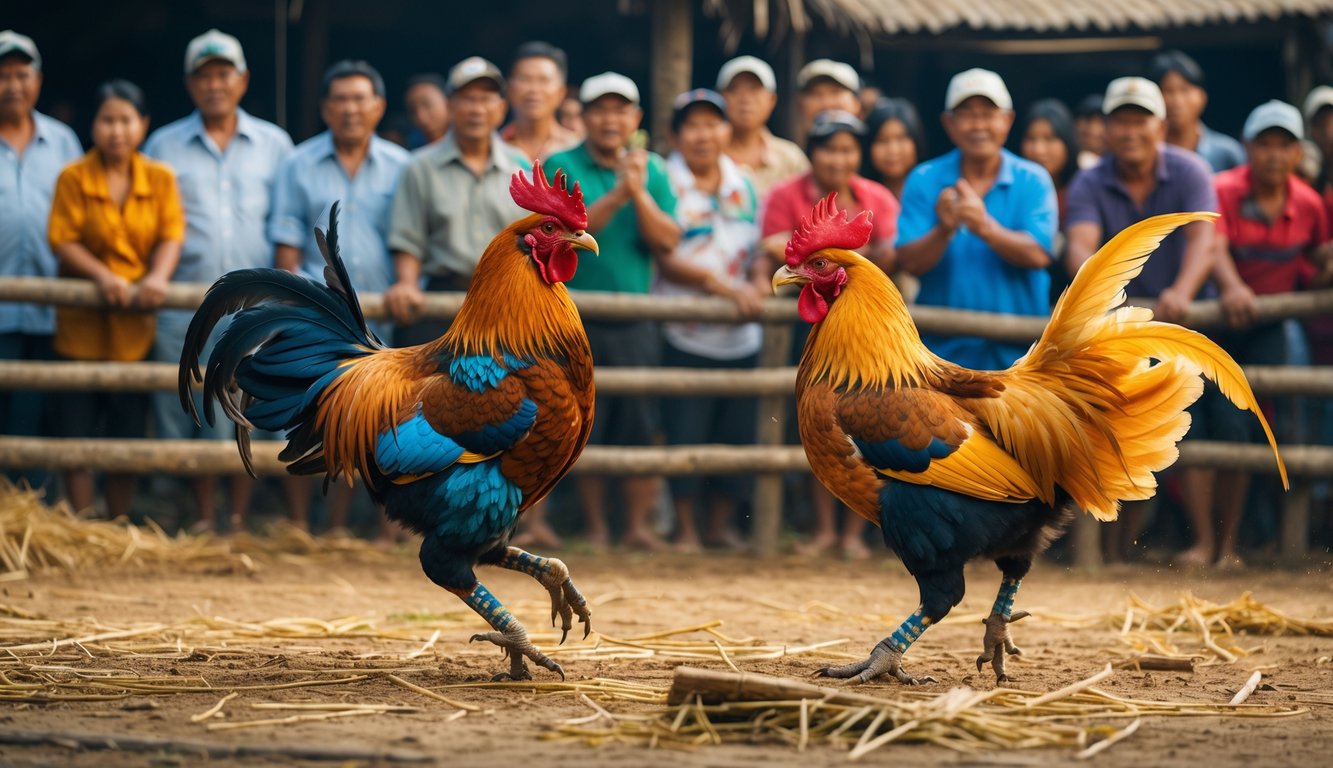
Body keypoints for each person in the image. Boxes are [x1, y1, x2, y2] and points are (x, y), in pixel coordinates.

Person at [1063, 76, 1220, 564]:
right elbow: (1079, 247)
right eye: (1121, 121)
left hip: (1189, 319)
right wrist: (1103, 297)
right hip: (1119, 326)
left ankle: (1211, 543)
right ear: (1106, 129)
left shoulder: (1191, 170)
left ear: (1161, 125)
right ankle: (1109, 549)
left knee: (1207, 428)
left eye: (1140, 120)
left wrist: (1182, 292)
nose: (1130, 130)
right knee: (1111, 424)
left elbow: (1205, 240)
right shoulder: (1090, 181)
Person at [143, 29, 293, 534]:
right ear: (189, 84)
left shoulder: (276, 146)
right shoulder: (162, 144)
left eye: (223, 73)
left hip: (256, 310)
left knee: (246, 406)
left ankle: (238, 519)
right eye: (204, 75)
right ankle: (201, 518)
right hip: (183, 303)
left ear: (243, 80)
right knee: (190, 412)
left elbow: (287, 225)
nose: (214, 84)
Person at [270, 60, 409, 533]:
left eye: (360, 99)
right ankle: (303, 525)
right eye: (341, 100)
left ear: (378, 107)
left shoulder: (402, 166)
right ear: (326, 108)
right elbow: (285, 249)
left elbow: (409, 242)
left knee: (379, 423)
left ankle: (375, 530)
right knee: (308, 416)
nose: (351, 109)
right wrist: (294, 303)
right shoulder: (298, 163)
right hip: (319, 318)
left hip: (382, 318)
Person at [546, 72, 681, 551]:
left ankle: (636, 527)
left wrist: (639, 190)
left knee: (641, 422)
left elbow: (666, 239)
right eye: (599, 109)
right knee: (580, 422)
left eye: (620, 109)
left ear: (636, 118)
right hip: (570, 317)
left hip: (637, 317)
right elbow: (569, 233)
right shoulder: (562, 164)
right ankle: (597, 528)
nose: (610, 119)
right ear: (583, 116)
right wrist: (621, 193)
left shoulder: (655, 171)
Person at [757, 109, 899, 559]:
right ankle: (824, 530)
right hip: (814, 331)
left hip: (866, 333)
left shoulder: (876, 196)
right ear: (812, 152)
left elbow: (890, 255)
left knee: (867, 439)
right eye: (828, 147)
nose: (838, 157)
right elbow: (769, 247)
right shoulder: (785, 193)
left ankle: (856, 534)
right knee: (819, 430)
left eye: (847, 148)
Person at [1196, 100, 1331, 569]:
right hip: (1218, 322)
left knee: (1260, 427)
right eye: (1265, 144)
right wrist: (1233, 287)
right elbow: (1212, 247)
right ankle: (1203, 543)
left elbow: (1314, 263)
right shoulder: (1223, 189)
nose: (1274, 154)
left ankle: (1230, 543)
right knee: (1206, 426)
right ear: (1248, 148)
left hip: (1271, 325)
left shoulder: (1309, 203)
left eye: (1284, 145)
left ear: (1297, 153)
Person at [47, 80, 183, 519]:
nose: (116, 130)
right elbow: (62, 240)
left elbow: (170, 235)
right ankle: (84, 523)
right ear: (94, 126)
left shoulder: (160, 178)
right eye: (107, 120)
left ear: (142, 125)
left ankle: (119, 521)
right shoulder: (73, 177)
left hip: (135, 328)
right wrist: (102, 275)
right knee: (78, 428)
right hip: (80, 325)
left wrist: (158, 277)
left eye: (125, 120)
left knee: (126, 429)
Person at [656, 89, 763, 552]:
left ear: (727, 131)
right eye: (692, 126)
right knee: (685, 429)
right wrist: (725, 288)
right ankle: (686, 530)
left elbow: (760, 247)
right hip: (684, 327)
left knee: (735, 433)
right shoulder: (665, 181)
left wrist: (758, 280)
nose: (703, 135)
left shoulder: (746, 183)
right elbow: (665, 257)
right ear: (675, 135)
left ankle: (721, 527)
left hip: (741, 333)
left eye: (712, 124)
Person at [896, 68, 1057, 370]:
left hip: (1021, 356)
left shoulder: (1033, 179)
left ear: (1007, 120)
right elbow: (908, 262)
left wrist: (985, 227)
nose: (979, 124)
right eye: (967, 114)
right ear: (949, 124)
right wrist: (942, 230)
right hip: (940, 356)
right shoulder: (924, 178)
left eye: (988, 113)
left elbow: (1039, 253)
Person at [385, 56, 525, 347]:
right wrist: (406, 284)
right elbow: (408, 240)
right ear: (450, 107)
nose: (476, 109)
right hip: (441, 302)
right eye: (467, 99)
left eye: (486, 99)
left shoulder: (520, 168)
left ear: (501, 109)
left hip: (506, 301)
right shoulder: (420, 166)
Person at [0, 30, 81, 494]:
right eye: (4, 74)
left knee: (39, 406)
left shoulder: (64, 141)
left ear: (38, 80)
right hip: (2, 306)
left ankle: (29, 502)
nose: (13, 84)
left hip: (54, 304)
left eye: (21, 73)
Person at [716, 55, 808, 198]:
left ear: (771, 100)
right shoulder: (708, 154)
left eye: (754, 89)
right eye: (734, 89)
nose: (745, 98)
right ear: (721, 97)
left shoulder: (790, 159)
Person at [1016, 98, 1080, 302]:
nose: (1039, 149)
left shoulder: (1082, 187)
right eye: (1031, 139)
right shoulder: (1016, 189)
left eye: (1049, 139)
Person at [1150, 50, 1244, 173]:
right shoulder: (1147, 154)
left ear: (1202, 97)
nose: (1176, 101)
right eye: (1168, 91)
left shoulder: (1227, 153)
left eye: (1184, 90)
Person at [501, 41, 579, 163]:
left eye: (543, 80)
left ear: (561, 92)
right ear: (509, 89)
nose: (534, 89)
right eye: (525, 79)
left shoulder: (577, 150)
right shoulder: (492, 147)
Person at [861, 96, 925, 202]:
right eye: (882, 140)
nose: (893, 150)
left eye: (901, 138)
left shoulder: (934, 190)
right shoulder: (858, 198)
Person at [795, 59, 860, 134]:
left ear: (856, 103)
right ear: (800, 105)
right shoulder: (784, 146)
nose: (827, 103)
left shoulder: (874, 143)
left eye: (835, 92)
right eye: (816, 94)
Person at [403, 74, 448, 149]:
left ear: (449, 104)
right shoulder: (412, 154)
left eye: (427, 105)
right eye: (412, 111)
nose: (421, 117)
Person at [1074, 93, 1106, 169]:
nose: (1093, 130)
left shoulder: (1119, 164)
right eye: (1088, 119)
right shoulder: (1067, 162)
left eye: (1100, 121)